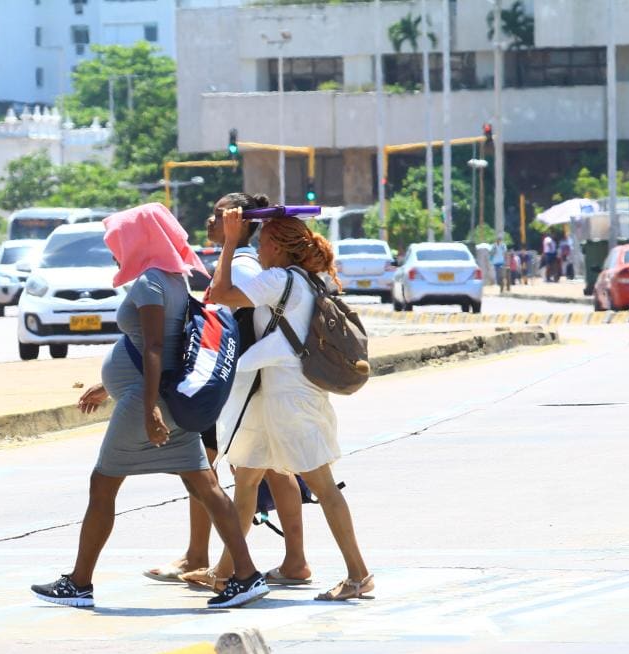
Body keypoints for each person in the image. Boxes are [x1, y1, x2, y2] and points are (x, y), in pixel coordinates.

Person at [31, 203, 270, 610]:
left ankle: (79, 583)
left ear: (139, 241)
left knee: (102, 486)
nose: (113, 251)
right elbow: (146, 345)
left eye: (118, 243)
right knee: (208, 488)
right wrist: (107, 384)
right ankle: (245, 576)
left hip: (148, 404)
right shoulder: (173, 278)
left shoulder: (149, 283)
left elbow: (157, 348)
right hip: (169, 400)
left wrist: (147, 410)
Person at [145, 192, 310, 589]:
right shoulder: (235, 258)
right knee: (256, 468)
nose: (210, 221)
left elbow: (235, 303)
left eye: (219, 215)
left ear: (239, 223)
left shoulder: (243, 261)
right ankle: (281, 560)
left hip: (238, 381)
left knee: (206, 465)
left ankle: (215, 561)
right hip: (241, 379)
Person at [207, 207, 374, 602]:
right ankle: (226, 573)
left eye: (263, 242)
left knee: (323, 486)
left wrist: (231, 242)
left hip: (291, 401)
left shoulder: (279, 279)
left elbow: (219, 293)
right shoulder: (307, 280)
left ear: (279, 248)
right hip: (273, 398)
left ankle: (359, 574)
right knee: (246, 480)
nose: (260, 249)